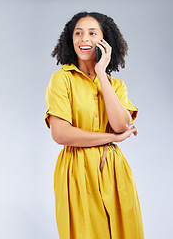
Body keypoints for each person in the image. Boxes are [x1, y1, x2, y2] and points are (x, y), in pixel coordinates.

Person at [45, 12, 145, 239]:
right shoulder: (62, 80)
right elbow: (60, 133)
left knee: (125, 232)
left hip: (114, 169)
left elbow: (120, 125)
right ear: (70, 39)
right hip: (76, 169)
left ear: (104, 40)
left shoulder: (116, 85)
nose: (84, 39)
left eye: (92, 33)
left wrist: (101, 72)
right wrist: (111, 138)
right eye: (78, 33)